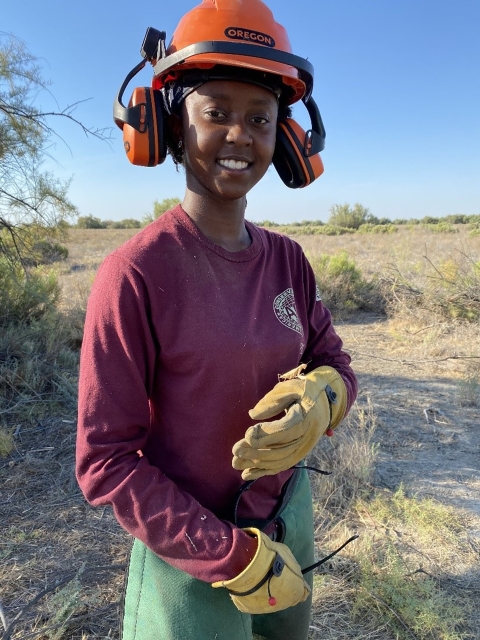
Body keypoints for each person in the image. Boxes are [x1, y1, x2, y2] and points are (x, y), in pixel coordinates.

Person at [76, 1, 358, 639]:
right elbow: (104, 461)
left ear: (285, 139)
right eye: (217, 113)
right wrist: (230, 555)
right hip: (192, 551)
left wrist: (326, 396)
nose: (240, 135)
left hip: (288, 519)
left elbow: (334, 360)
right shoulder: (135, 274)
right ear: (169, 125)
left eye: (260, 118)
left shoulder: (288, 259)